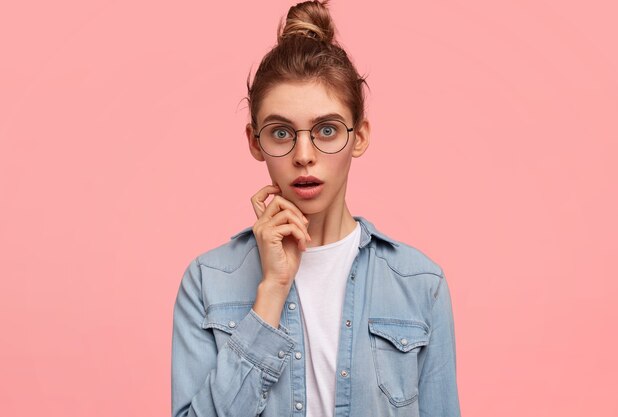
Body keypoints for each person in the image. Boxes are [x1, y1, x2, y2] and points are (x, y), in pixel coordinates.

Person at [171, 1, 461, 416]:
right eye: (281, 132)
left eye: (326, 130)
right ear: (255, 143)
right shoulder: (207, 282)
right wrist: (271, 291)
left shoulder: (419, 283)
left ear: (358, 136)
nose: (304, 155)